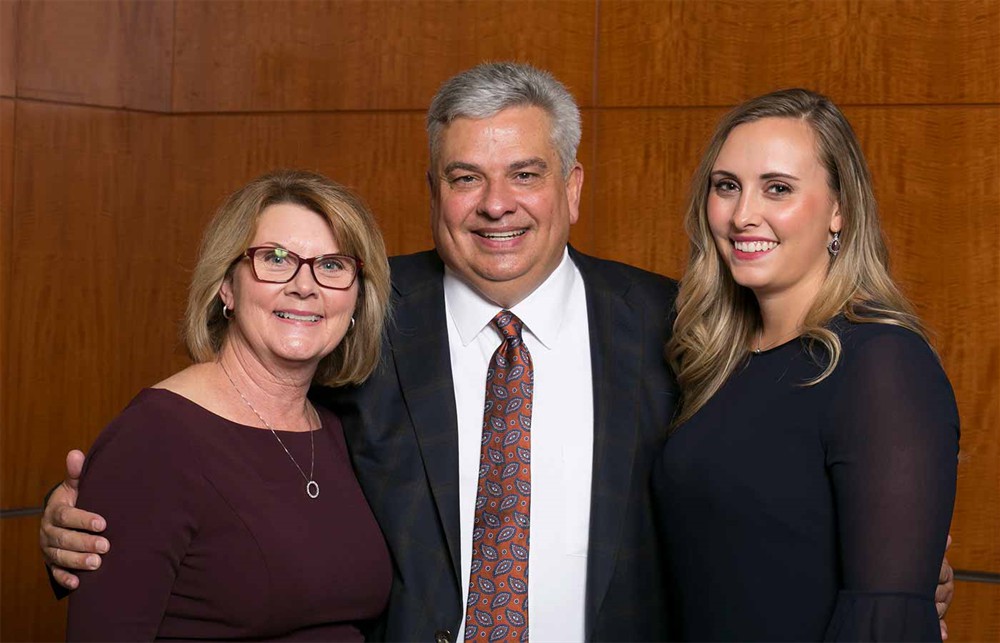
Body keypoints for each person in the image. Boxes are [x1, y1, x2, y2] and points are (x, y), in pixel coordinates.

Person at [40, 65, 954, 642]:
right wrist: (94, 519)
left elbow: (758, 488)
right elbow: (235, 435)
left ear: (573, 186)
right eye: (464, 176)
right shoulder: (357, 312)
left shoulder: (678, 331)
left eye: (525, 173)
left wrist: (886, 565)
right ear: (432, 190)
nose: (495, 203)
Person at [655, 89, 959, 641]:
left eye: (778, 189)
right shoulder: (714, 359)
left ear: (839, 208)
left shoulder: (883, 364)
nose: (744, 215)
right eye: (727, 187)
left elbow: (884, 619)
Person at [63, 170, 393, 640]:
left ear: (358, 296)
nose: (305, 285)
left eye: (333, 265)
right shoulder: (154, 439)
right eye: (275, 259)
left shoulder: (340, 428)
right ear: (227, 287)